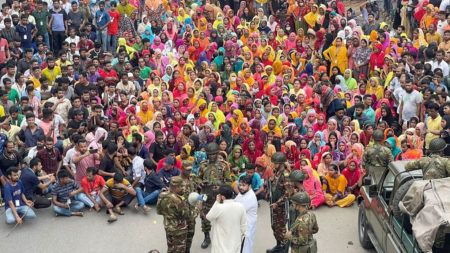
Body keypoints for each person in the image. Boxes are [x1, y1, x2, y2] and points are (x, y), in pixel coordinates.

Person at [197, 142, 232, 249]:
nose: (212, 156)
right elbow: (198, 178)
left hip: (219, 197)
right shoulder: (203, 164)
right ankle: (207, 237)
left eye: (214, 154)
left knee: (221, 218)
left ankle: (222, 237)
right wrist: (201, 183)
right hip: (206, 195)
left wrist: (220, 188)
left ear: (217, 153)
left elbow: (229, 181)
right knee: (204, 217)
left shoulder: (224, 165)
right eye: (210, 154)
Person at [206, 184, 247, 253]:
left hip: (220, 246)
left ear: (222, 197)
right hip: (235, 243)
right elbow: (243, 225)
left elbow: (208, 217)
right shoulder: (240, 206)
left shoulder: (219, 207)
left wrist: (216, 202)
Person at [267, 152, 293, 253]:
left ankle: (284, 248)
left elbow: (288, 193)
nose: (274, 165)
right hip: (274, 205)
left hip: (281, 206)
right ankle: (278, 246)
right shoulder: (277, 173)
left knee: (281, 228)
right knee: (275, 227)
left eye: (276, 163)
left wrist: (277, 203)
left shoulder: (285, 175)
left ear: (281, 163)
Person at [156, 176, 189, 253]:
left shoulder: (162, 195)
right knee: (179, 250)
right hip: (179, 230)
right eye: (181, 186)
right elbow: (186, 215)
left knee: (171, 247)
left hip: (168, 226)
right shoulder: (179, 200)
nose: (183, 188)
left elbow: (158, 211)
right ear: (176, 187)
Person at [180, 161, 200, 252]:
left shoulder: (192, 178)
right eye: (187, 170)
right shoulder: (177, 181)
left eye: (190, 170)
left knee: (190, 235)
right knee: (180, 238)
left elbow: (199, 184)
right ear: (182, 169)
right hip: (181, 214)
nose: (189, 172)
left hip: (192, 213)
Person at [235, 175, 258, 253]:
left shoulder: (250, 197)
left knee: (244, 248)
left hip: (247, 227)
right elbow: (235, 201)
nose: (241, 187)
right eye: (240, 185)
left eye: (244, 185)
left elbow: (237, 210)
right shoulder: (243, 193)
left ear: (250, 186)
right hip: (242, 225)